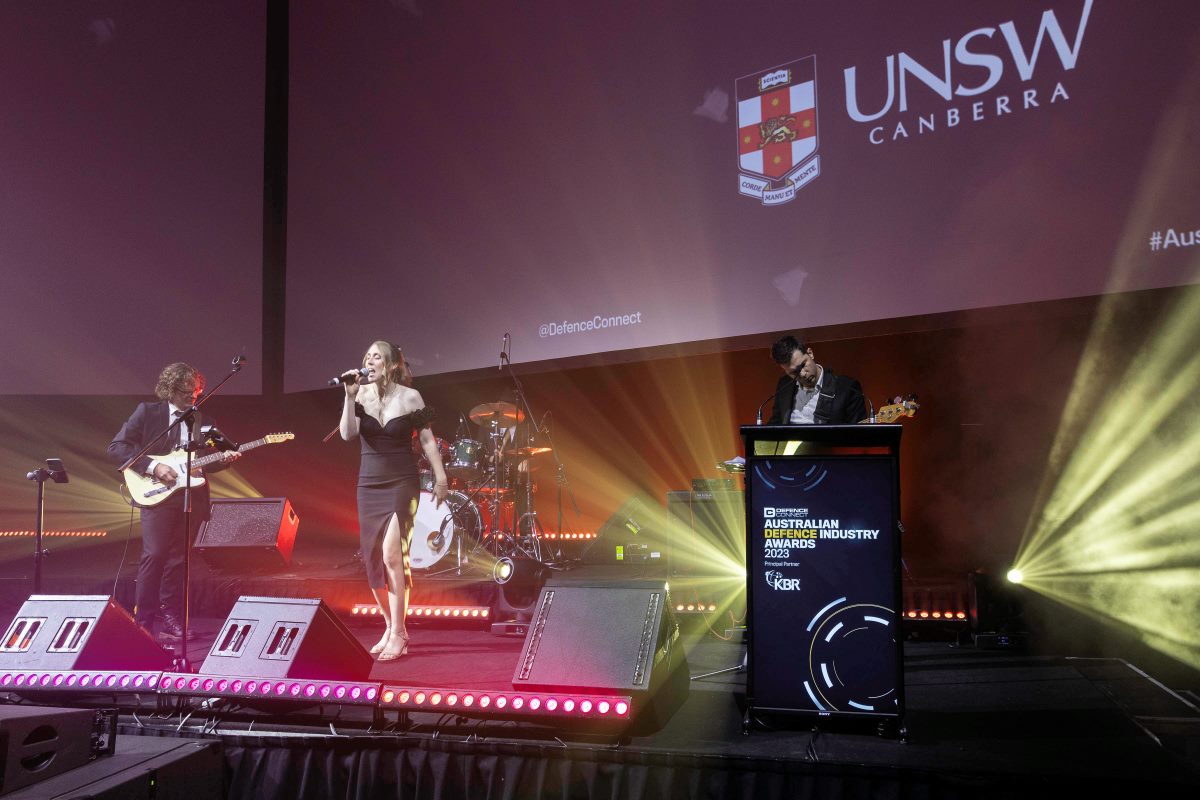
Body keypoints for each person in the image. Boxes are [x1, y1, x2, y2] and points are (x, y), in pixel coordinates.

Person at [107, 362, 239, 641]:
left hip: (189, 495)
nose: (190, 397)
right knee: (154, 554)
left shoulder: (202, 419)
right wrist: (153, 467)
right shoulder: (148, 412)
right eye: (184, 392)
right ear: (169, 389)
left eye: (195, 392)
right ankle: (143, 621)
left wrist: (224, 461)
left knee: (178, 561)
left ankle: (171, 621)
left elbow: (204, 465)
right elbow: (117, 447)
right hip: (156, 494)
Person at [339, 341, 448, 661]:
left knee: (392, 554)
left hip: (402, 481)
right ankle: (390, 624)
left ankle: (400, 632)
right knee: (372, 560)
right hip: (369, 484)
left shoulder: (410, 397)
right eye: (366, 356)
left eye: (376, 356)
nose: (369, 360)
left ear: (389, 365)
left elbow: (427, 440)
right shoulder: (358, 394)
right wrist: (347, 398)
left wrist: (440, 477)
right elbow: (347, 434)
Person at [767, 334, 867, 425]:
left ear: (810, 353)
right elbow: (776, 423)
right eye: (794, 372)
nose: (802, 374)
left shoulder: (846, 388)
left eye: (803, 365)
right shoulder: (785, 385)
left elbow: (858, 432)